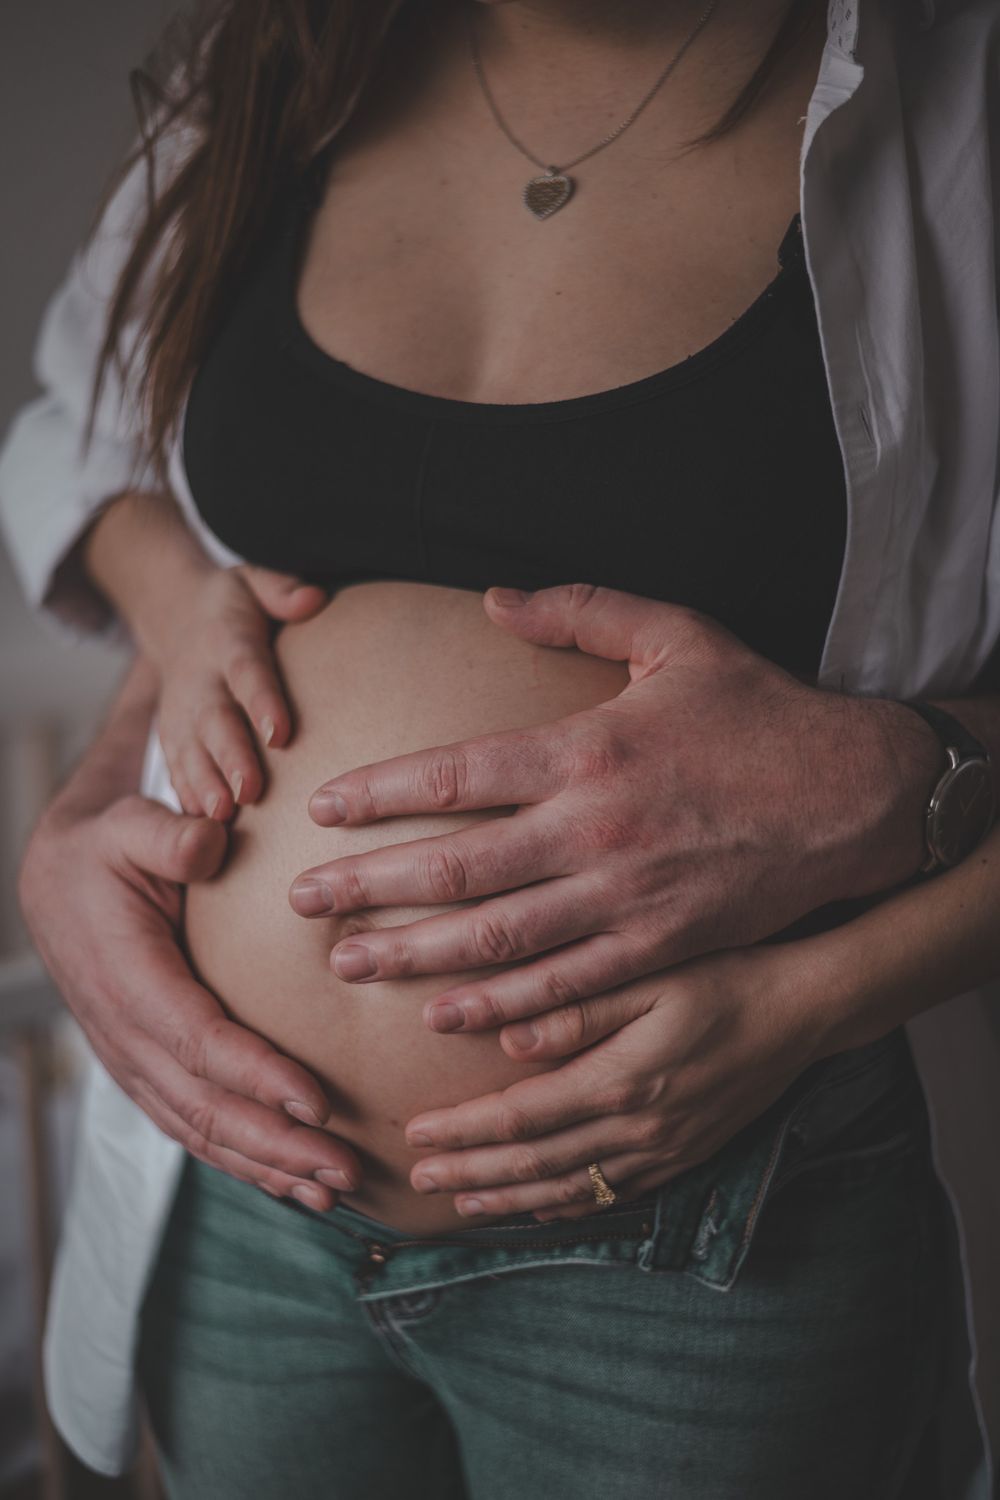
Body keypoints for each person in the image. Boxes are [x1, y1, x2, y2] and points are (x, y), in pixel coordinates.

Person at [2, 0, 1000, 1493]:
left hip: (718, 1216)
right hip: (240, 1190)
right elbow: (85, 440)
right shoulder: (278, 61)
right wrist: (100, 770)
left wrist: (808, 996)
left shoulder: (961, 88)